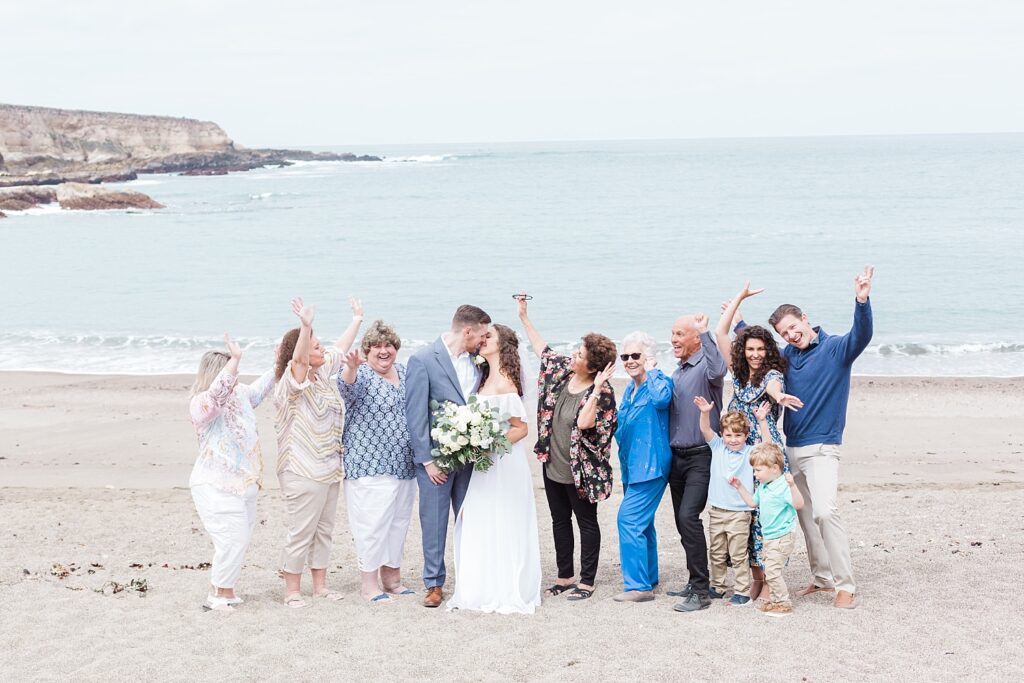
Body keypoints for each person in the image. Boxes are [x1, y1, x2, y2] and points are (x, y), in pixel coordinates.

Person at [766, 265, 875, 610]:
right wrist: (735, 318)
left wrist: (861, 300)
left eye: (794, 327)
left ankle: (846, 586)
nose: (791, 335)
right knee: (806, 516)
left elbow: (862, 335)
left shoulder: (837, 349)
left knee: (825, 513)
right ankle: (822, 578)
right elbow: (758, 357)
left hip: (823, 448)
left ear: (806, 319)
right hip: (791, 449)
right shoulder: (786, 357)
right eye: (785, 333)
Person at [518, 295, 617, 602]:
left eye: (580, 354)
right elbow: (542, 350)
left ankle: (586, 581)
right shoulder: (563, 373)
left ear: (593, 365)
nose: (573, 355)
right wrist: (524, 317)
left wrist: (598, 388)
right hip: (553, 464)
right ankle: (565, 576)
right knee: (559, 521)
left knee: (586, 522)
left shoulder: (602, 392)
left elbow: (587, 424)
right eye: (575, 351)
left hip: (581, 472)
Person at [716, 282, 804, 600]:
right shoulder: (738, 374)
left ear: (768, 351)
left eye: (760, 349)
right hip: (739, 450)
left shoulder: (771, 375)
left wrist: (781, 397)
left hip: (764, 451)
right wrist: (738, 299)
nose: (755, 355)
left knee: (766, 516)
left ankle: (769, 578)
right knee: (746, 514)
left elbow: (775, 388)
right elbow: (720, 335)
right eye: (750, 349)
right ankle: (755, 578)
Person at [447, 323, 542, 614]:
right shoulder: (483, 378)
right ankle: (480, 585)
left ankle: (506, 586)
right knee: (480, 516)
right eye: (482, 336)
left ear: (502, 345)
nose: (483, 340)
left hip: (504, 462)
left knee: (505, 517)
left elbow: (522, 429)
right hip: (483, 464)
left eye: (489, 337)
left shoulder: (505, 380)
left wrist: (489, 443)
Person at [274, 297, 363, 608]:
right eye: (315, 347)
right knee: (301, 531)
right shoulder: (291, 381)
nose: (321, 350)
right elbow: (299, 361)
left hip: (329, 467)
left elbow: (339, 347)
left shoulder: (323, 374)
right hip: (301, 468)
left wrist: (357, 320)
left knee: (324, 530)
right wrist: (305, 325)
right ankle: (292, 591)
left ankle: (320, 587)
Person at [405, 304, 492, 608]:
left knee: (470, 518)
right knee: (435, 520)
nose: (483, 341)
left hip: (471, 457)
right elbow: (415, 416)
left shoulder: (480, 362)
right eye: (481, 335)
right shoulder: (423, 360)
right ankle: (434, 583)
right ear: (467, 330)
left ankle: (470, 578)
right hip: (437, 460)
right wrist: (427, 461)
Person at [188, 334, 275, 611]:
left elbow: (261, 389)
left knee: (240, 538)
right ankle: (216, 597)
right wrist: (235, 361)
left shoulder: (240, 395)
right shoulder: (201, 403)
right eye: (230, 372)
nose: (234, 378)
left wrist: (278, 362)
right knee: (231, 539)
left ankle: (224, 589)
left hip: (244, 483)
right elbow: (216, 396)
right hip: (216, 484)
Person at [338, 319, 416, 603]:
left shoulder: (406, 373)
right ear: (366, 351)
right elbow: (346, 388)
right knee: (372, 524)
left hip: (405, 463)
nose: (383, 351)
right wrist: (350, 366)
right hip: (369, 462)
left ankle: (392, 579)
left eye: (388, 345)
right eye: (376, 346)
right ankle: (369, 585)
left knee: (398, 522)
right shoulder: (362, 374)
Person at [666, 312, 727, 613]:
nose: (674, 339)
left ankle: (702, 591)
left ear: (694, 338)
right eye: (673, 334)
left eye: (679, 334)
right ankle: (694, 580)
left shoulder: (706, 366)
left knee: (689, 517)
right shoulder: (678, 371)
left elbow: (720, 369)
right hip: (676, 457)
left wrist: (706, 333)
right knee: (681, 521)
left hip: (702, 456)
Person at [612, 331, 672, 603]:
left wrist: (653, 370)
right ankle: (648, 577)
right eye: (625, 356)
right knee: (643, 524)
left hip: (651, 465)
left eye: (635, 355)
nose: (629, 361)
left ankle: (638, 586)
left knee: (629, 519)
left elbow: (662, 401)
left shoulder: (659, 382)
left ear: (648, 357)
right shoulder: (629, 389)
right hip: (631, 466)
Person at [693, 396, 770, 607]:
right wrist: (704, 412)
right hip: (717, 511)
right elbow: (705, 429)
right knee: (716, 552)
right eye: (729, 435)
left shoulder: (749, 453)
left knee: (738, 555)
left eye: (738, 435)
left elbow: (768, 446)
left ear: (746, 436)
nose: (733, 439)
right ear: (722, 435)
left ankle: (743, 592)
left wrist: (762, 421)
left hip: (739, 513)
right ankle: (717, 586)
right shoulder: (717, 447)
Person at [729, 443, 805, 617]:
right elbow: (752, 503)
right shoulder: (764, 486)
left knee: (772, 571)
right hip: (769, 537)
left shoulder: (783, 486)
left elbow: (799, 504)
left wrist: (793, 486)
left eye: (758, 470)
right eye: (754, 471)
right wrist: (740, 487)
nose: (755, 474)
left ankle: (783, 602)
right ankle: (776, 600)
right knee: (769, 570)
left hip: (782, 537)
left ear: (774, 468)